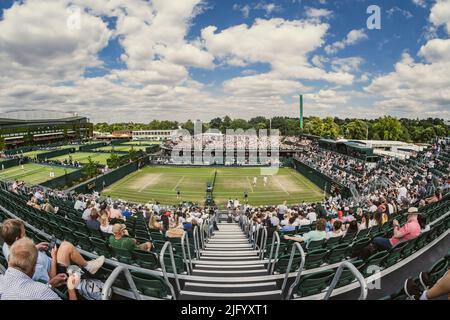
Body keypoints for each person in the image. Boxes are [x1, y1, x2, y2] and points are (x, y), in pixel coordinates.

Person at [1, 219, 105, 282]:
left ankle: (84, 265)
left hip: (47, 262)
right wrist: (54, 256)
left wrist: (35, 247)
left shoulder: (7, 245)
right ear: (17, 239)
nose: (26, 234)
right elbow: (52, 278)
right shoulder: (28, 262)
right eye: (23, 233)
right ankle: (89, 267)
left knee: (64, 246)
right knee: (66, 245)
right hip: (55, 271)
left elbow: (20, 252)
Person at [0, 238, 80, 300]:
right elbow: (36, 293)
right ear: (34, 268)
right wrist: (70, 287)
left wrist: (50, 285)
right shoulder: (42, 292)